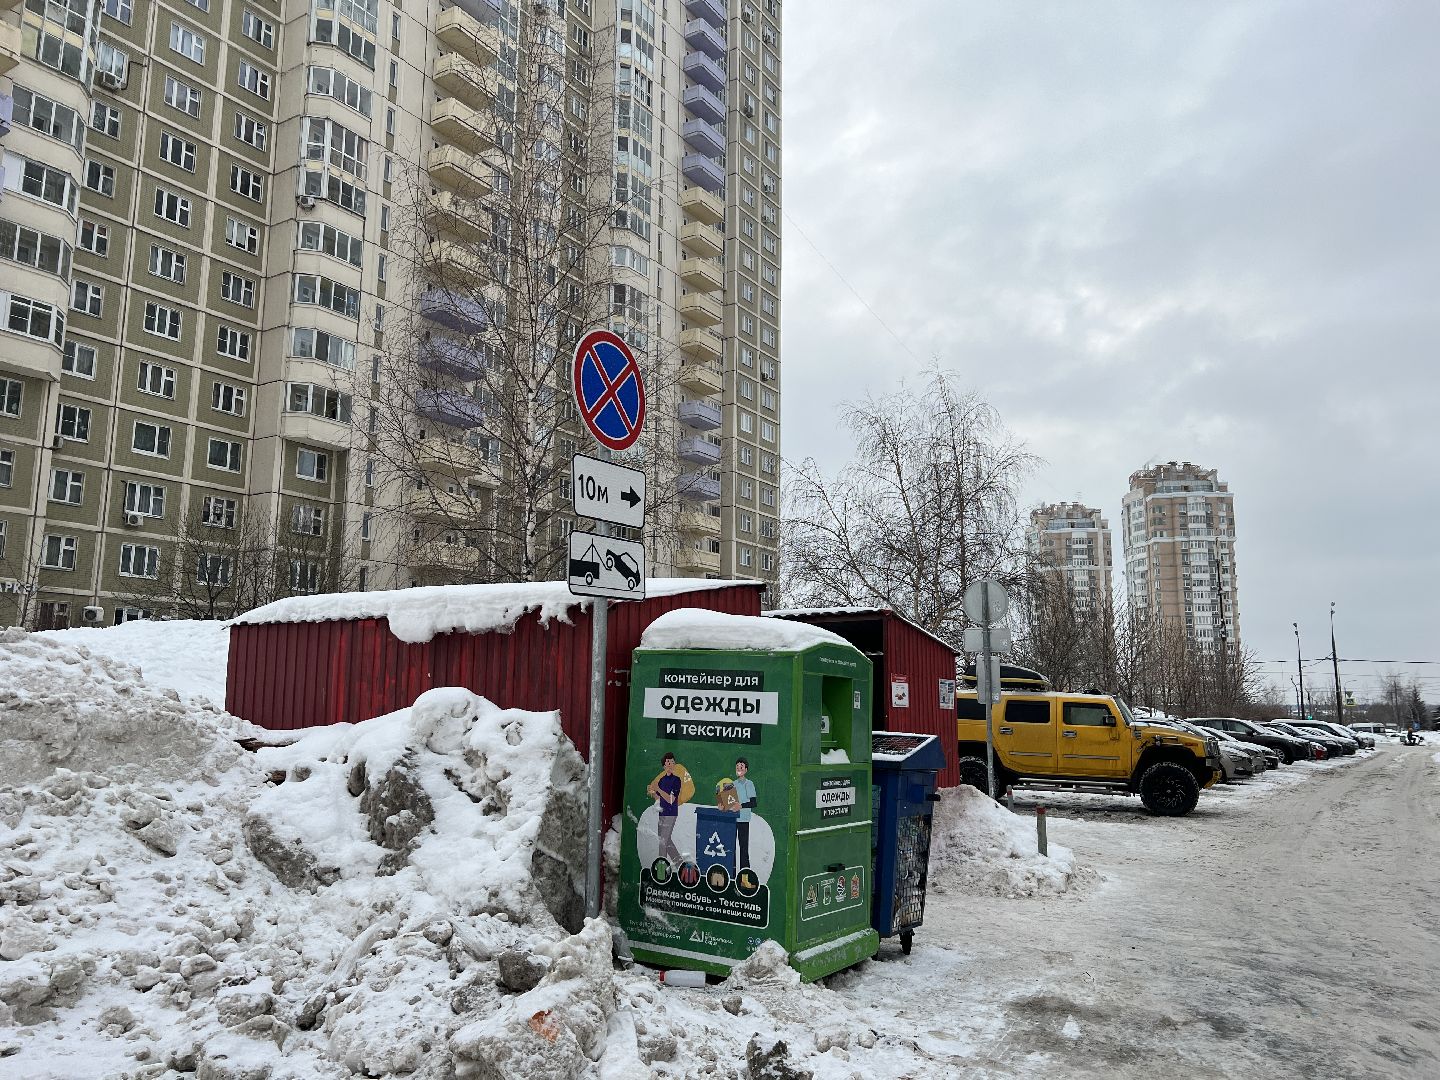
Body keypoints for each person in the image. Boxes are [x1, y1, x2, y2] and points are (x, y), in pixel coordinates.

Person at [645, 753, 690, 867]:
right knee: (666, 840)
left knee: (663, 841)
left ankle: (662, 868)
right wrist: (652, 792)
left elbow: (671, 799)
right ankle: (680, 864)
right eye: (668, 762)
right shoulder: (661, 780)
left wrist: (658, 789)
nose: (671, 764)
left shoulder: (676, 780)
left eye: (672, 762)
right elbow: (659, 798)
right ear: (664, 766)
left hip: (671, 813)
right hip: (662, 812)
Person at [733, 757, 757, 872]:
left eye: (741, 767)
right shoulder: (732, 784)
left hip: (743, 820)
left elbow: (753, 802)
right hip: (732, 819)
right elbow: (729, 801)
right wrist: (723, 806)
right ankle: (732, 873)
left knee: (743, 848)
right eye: (737, 766)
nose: (739, 768)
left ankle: (744, 874)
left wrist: (741, 806)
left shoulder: (749, 784)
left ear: (746, 770)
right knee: (731, 847)